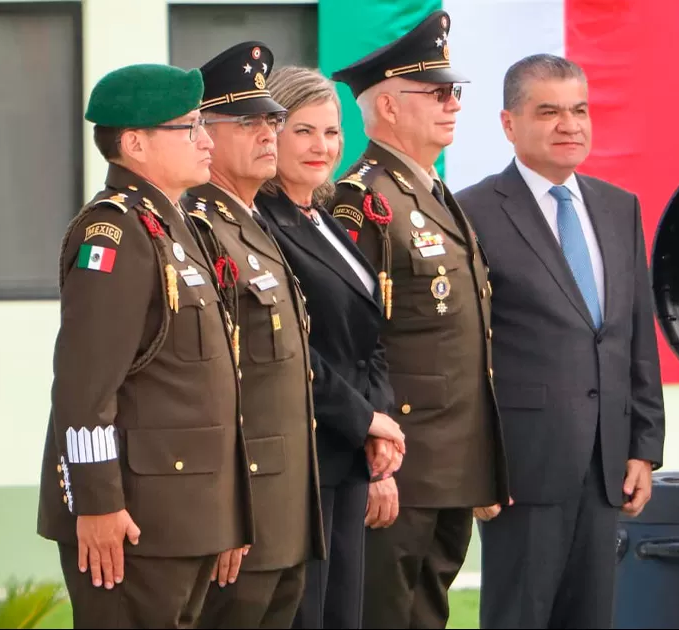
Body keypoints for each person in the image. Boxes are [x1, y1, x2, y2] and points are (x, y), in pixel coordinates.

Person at [35, 62, 254, 628]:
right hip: (133, 520)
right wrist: (97, 501)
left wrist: (227, 514)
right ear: (134, 143)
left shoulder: (175, 226)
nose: (207, 140)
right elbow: (85, 388)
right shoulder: (116, 232)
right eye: (189, 127)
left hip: (183, 516)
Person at [455, 53, 667, 629]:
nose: (569, 125)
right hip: (522, 470)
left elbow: (633, 332)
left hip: (606, 468)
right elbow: (463, 353)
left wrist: (644, 444)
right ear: (508, 124)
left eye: (579, 110)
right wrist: (478, 465)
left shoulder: (619, 207)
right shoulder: (469, 213)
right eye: (548, 111)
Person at [327, 9, 510, 629]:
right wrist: (369, 457)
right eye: (435, 93)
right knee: (384, 612)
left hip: (449, 462)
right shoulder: (362, 200)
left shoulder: (434, 193)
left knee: (426, 612)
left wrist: (483, 459)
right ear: (387, 108)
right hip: (397, 462)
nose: (452, 104)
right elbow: (349, 342)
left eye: (453, 91)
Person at [176, 42, 350, 630]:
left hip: (285, 508)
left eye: (272, 119)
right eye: (248, 122)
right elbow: (203, 387)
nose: (268, 133)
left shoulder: (252, 225)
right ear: (204, 132)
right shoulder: (199, 227)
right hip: (243, 514)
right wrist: (226, 514)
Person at [254, 65, 406, 629]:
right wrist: (366, 419)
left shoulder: (322, 215)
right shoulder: (262, 225)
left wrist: (380, 423)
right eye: (304, 131)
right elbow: (289, 347)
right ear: (271, 133)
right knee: (307, 615)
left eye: (333, 131)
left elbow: (368, 334)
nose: (323, 146)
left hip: (349, 453)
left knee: (344, 613)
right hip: (305, 452)